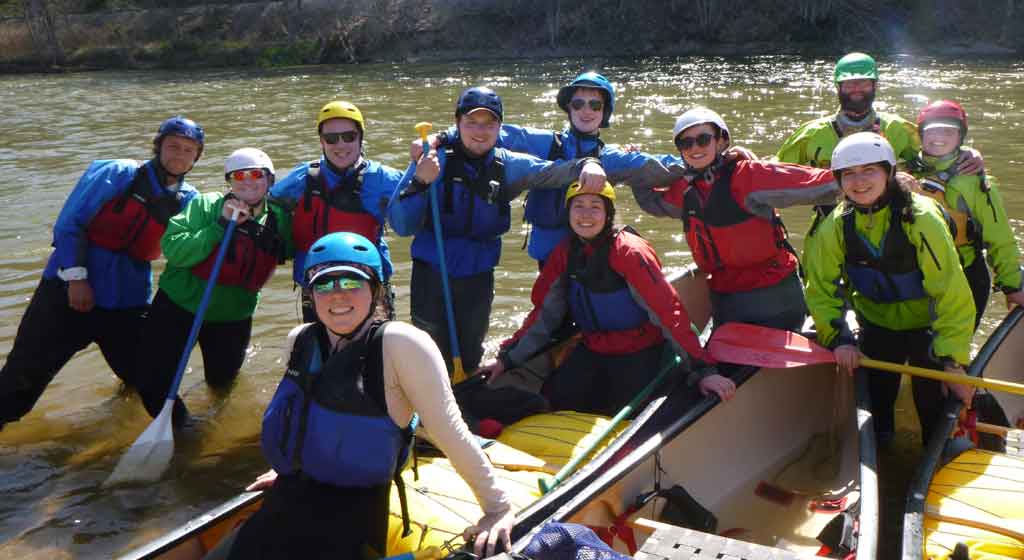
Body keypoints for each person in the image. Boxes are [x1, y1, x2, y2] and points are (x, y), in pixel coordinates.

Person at [206, 232, 514, 560]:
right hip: (293, 491)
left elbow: (448, 430)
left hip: (356, 513)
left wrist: (497, 507)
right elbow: (299, 418)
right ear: (311, 295)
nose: (337, 295)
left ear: (376, 290)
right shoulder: (300, 340)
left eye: (352, 282)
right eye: (324, 285)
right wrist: (288, 465)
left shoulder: (402, 345)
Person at [387, 86, 607, 376]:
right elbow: (401, 225)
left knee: (469, 353)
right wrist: (420, 182)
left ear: (500, 128)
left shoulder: (509, 164)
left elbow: (552, 172)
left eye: (489, 124)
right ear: (457, 123)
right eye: (471, 123)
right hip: (431, 274)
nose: (480, 132)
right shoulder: (432, 159)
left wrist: (589, 163)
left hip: (477, 275)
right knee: (428, 353)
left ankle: (465, 389)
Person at [0, 117, 202, 430]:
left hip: (126, 302)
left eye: (189, 150)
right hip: (67, 295)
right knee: (20, 383)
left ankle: (186, 437)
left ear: (196, 158)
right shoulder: (117, 173)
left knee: (151, 380)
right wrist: (77, 278)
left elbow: (193, 247)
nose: (180, 155)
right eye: (173, 146)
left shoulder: (190, 199)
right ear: (158, 146)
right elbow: (69, 225)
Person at [478, 182, 735, 413]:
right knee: (555, 399)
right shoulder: (565, 253)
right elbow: (543, 314)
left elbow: (670, 313)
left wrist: (704, 371)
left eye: (595, 207)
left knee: (629, 411)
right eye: (578, 206)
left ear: (608, 213)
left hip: (640, 350)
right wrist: (506, 359)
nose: (585, 214)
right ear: (568, 213)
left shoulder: (630, 252)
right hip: (593, 347)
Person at [804, 132, 975, 447]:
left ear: (889, 172)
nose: (859, 182)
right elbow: (820, 288)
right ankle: (882, 448)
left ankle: (937, 449)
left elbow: (951, 292)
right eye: (849, 174)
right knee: (878, 406)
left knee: (932, 406)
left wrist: (953, 361)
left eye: (869, 170)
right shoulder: (837, 225)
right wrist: (839, 339)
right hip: (877, 325)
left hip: (928, 328)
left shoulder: (921, 218)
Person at [630, 107, 839, 331]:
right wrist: (636, 163)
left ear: (721, 141)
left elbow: (819, 183)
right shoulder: (685, 190)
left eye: (703, 139)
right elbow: (650, 200)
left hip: (774, 296)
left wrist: (857, 172)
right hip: (726, 298)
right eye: (686, 143)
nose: (695, 148)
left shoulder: (750, 174)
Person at [135, 148, 291, 429]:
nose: (248, 181)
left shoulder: (278, 218)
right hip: (179, 306)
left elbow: (294, 250)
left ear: (269, 179)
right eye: (238, 176)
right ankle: (184, 429)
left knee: (222, 384)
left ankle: (215, 427)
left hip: (233, 316)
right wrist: (220, 226)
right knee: (152, 383)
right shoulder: (206, 205)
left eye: (256, 174)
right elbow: (174, 248)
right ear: (229, 182)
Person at [776, 52, 982, 262]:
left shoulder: (897, 128)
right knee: (817, 279)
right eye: (849, 83)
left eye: (863, 82)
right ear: (838, 87)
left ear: (875, 85)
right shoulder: (811, 134)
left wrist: (967, 153)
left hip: (887, 228)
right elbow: (777, 172)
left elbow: (935, 155)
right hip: (829, 223)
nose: (856, 88)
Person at [269, 101, 402, 322]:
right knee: (319, 344)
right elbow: (266, 205)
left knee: (378, 343)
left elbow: (417, 210)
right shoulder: (302, 178)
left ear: (360, 138)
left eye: (349, 136)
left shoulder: (384, 179)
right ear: (322, 142)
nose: (340, 145)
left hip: (368, 283)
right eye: (331, 138)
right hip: (318, 285)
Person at [906, 100, 1024, 326]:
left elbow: (999, 236)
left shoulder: (977, 182)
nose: (939, 137)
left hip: (966, 276)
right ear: (921, 135)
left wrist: (1012, 285)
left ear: (960, 137)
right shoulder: (904, 172)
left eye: (948, 131)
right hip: (918, 277)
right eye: (932, 131)